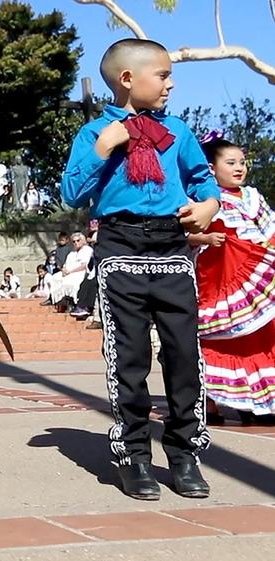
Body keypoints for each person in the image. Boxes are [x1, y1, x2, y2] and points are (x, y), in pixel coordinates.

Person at [61, 38, 219, 501]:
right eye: (163, 74)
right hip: (120, 245)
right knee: (129, 359)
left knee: (184, 355)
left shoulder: (178, 130)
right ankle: (134, 455)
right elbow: (72, 192)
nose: (171, 83)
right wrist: (105, 148)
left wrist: (208, 204)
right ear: (128, 79)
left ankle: (185, 451)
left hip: (172, 246)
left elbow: (202, 179)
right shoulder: (95, 132)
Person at [189, 136, 275, 425]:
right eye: (231, 163)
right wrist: (206, 237)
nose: (239, 168)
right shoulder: (207, 198)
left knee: (257, 337)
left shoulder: (253, 197)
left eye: (241, 162)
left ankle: (256, 404)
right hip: (219, 278)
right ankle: (211, 403)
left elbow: (268, 233)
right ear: (211, 168)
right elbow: (183, 232)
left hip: (252, 281)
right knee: (218, 339)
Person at [48, 233, 91, 311]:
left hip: (80, 272)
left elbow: (84, 266)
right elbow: (65, 265)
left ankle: (73, 302)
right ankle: (55, 299)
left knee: (70, 280)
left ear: (83, 240)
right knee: (54, 277)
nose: (76, 243)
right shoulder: (72, 253)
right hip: (68, 272)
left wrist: (70, 271)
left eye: (78, 240)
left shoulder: (87, 250)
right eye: (74, 241)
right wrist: (63, 270)